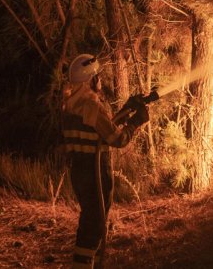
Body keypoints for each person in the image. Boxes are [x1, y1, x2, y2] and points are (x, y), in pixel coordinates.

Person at [62, 53, 150, 268]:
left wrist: (126, 110)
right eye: (97, 77)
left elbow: (100, 129)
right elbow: (116, 139)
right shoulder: (92, 106)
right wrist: (136, 123)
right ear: (90, 80)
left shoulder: (72, 105)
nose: (99, 81)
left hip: (80, 171)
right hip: (95, 172)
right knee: (95, 224)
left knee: (89, 221)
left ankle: (84, 264)